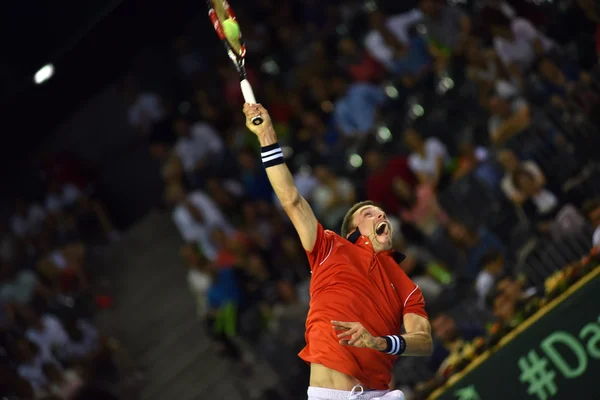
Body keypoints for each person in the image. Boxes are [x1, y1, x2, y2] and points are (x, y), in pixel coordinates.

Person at [242, 103, 432, 400]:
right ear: (351, 232)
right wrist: (266, 135)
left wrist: (382, 343)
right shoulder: (329, 247)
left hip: (376, 394)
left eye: (382, 213)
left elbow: (423, 340)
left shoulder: (407, 289)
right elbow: (292, 200)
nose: (381, 216)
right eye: (369, 213)